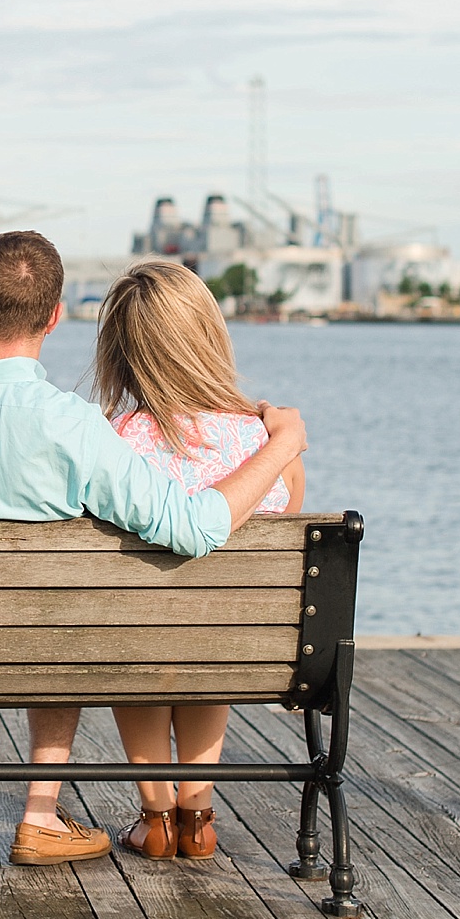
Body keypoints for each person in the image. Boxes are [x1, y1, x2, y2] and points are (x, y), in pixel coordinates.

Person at [0, 232, 306, 867]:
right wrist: (283, 443)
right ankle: (39, 817)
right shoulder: (74, 425)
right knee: (58, 613)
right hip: (42, 650)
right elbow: (193, 527)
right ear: (54, 315)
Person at [92, 258, 305, 861]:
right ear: (209, 338)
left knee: (143, 644)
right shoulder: (267, 444)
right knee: (215, 636)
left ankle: (155, 816)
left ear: (122, 351)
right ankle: (198, 813)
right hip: (238, 647)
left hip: (139, 643)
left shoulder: (110, 442)